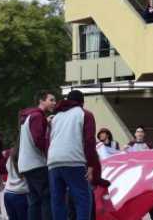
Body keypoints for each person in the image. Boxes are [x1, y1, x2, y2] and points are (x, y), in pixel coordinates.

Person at [47, 90, 104, 220]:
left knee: (58, 200)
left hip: (53, 161)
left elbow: (48, 139)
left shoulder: (56, 117)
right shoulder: (85, 114)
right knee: (83, 198)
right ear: (82, 102)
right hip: (73, 160)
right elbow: (89, 141)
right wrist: (91, 165)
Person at [19, 90, 56, 220]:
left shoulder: (30, 116)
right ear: (41, 101)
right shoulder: (37, 116)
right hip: (37, 164)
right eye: (51, 100)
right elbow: (38, 140)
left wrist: (46, 122)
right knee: (47, 197)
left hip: (26, 164)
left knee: (35, 201)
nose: (54, 103)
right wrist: (51, 153)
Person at [5, 145, 30, 220]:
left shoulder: (10, 157)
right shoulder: (26, 157)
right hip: (21, 194)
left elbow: (7, 168)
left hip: (8, 192)